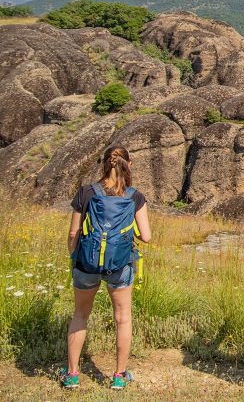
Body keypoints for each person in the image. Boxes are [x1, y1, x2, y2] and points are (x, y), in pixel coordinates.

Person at [63, 146, 152, 391]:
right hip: (120, 265)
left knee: (80, 315)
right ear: (129, 165)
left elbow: (73, 232)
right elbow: (146, 236)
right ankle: (119, 376)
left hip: (86, 262)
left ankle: (72, 375)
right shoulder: (135, 196)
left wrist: (74, 255)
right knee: (123, 319)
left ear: (104, 164)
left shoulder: (86, 192)